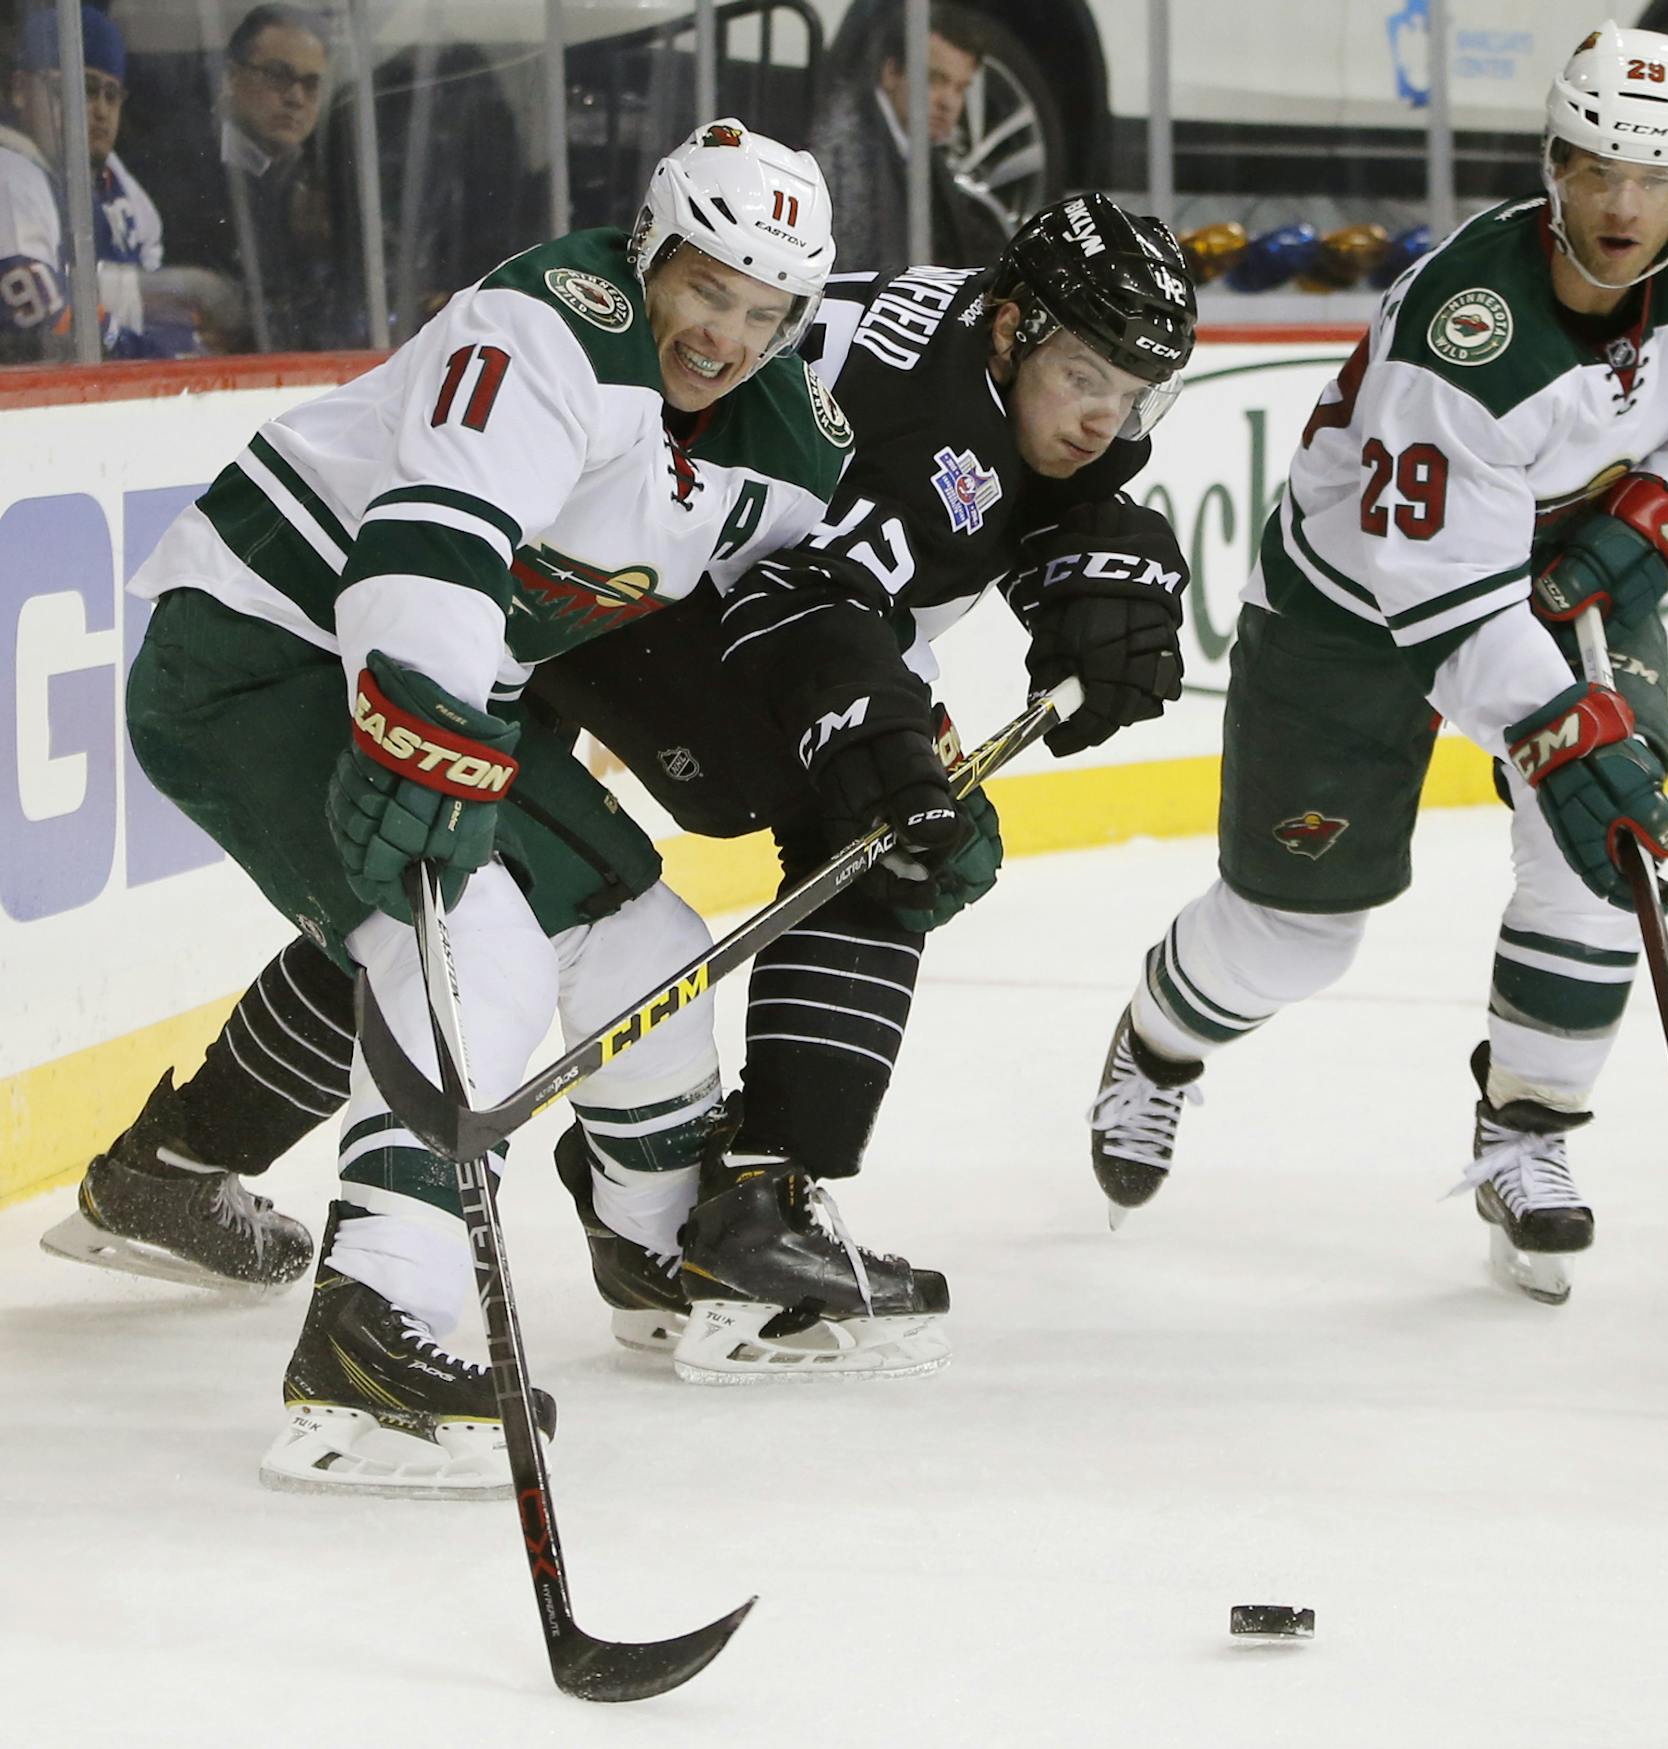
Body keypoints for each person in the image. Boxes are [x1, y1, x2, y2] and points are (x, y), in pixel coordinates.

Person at [49, 192, 1200, 1386]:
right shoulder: (907, 426)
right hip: (633, 594)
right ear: (1012, 327)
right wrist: (894, 750)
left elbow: (1030, 491)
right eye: (1086, 376)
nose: (1109, 416)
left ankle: (183, 1170)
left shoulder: (988, 351)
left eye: (1138, 391)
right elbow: (810, 606)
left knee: (496, 895)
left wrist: (1106, 556)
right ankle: (747, 1213)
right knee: (862, 829)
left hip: (610, 581)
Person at [87, 119, 851, 1496]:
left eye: (763, 310)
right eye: (706, 288)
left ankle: (662, 1247)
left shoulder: (785, 439)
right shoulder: (553, 325)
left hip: (441, 694)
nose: (725, 335)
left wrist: (884, 748)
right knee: (465, 949)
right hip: (264, 643)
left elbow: (827, 620)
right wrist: (426, 723)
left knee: (645, 937)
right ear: (648, 253)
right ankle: (371, 1336)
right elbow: (432, 530)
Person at [1083, 22, 1668, 1308]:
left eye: (1660, 175)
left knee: (1602, 855)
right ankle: (1158, 1046)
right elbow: (1449, 613)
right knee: (1295, 937)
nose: (1625, 205)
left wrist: (1628, 545)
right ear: (1552, 161)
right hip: (1359, 603)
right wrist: (1563, 729)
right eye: (1596, 166)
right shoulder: (1465, 340)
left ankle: (1527, 1137)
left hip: (1552, 563)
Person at [152, 4, 360, 352]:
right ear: (231, 77)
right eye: (278, 75)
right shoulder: (178, 167)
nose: (295, 97)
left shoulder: (321, 180)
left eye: (311, 85)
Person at [0, 5, 183, 360]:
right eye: (82, 88)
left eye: (111, 95)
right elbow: (46, 325)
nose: (100, 110)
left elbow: (167, 312)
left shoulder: (119, 182)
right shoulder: (9, 174)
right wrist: (154, 356)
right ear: (22, 89)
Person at [808, 0, 1009, 272]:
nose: (949, 103)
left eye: (960, 88)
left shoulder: (911, 141)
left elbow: (968, 239)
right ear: (891, 72)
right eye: (935, 80)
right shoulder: (848, 150)